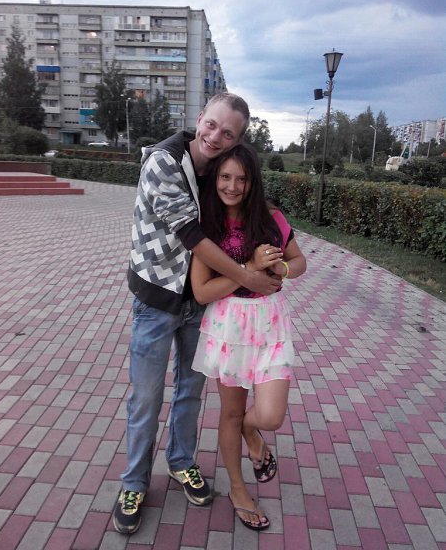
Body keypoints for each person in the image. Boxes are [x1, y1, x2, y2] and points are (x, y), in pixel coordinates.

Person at [114, 93, 283, 535]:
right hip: (156, 299)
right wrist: (248, 277)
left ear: (237, 140)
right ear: (199, 117)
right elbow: (194, 237)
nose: (215, 136)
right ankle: (134, 483)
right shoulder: (164, 162)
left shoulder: (217, 170)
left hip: (200, 303)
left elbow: (242, 211)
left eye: (228, 133)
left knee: (190, 392)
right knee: (147, 397)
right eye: (211, 124)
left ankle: (181, 462)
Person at [191, 144, 307, 530]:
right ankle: (239, 490)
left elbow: (299, 260)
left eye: (241, 178)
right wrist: (250, 268)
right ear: (215, 179)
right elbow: (202, 292)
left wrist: (281, 270)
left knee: (270, 415)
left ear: (253, 181)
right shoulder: (207, 224)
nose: (232, 186)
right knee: (230, 411)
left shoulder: (271, 217)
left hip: (271, 323)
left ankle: (250, 428)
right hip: (230, 325)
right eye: (225, 177)